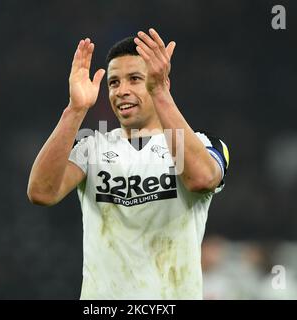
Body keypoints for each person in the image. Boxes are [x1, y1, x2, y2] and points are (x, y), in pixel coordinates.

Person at [27, 28, 230, 299]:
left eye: (135, 79)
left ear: (163, 83)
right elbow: (41, 192)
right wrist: (75, 109)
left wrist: (159, 93)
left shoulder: (204, 144)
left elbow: (202, 179)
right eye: (113, 83)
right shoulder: (91, 148)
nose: (122, 91)